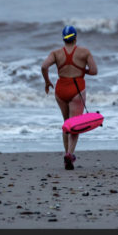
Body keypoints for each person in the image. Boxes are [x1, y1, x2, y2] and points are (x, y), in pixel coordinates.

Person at [41, 25, 98, 170]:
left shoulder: (56, 53)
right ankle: (69, 154)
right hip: (76, 88)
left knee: (66, 123)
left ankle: (67, 154)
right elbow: (94, 71)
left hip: (60, 89)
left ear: (63, 38)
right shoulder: (84, 52)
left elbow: (44, 66)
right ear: (76, 37)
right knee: (75, 125)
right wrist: (82, 70)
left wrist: (47, 81)